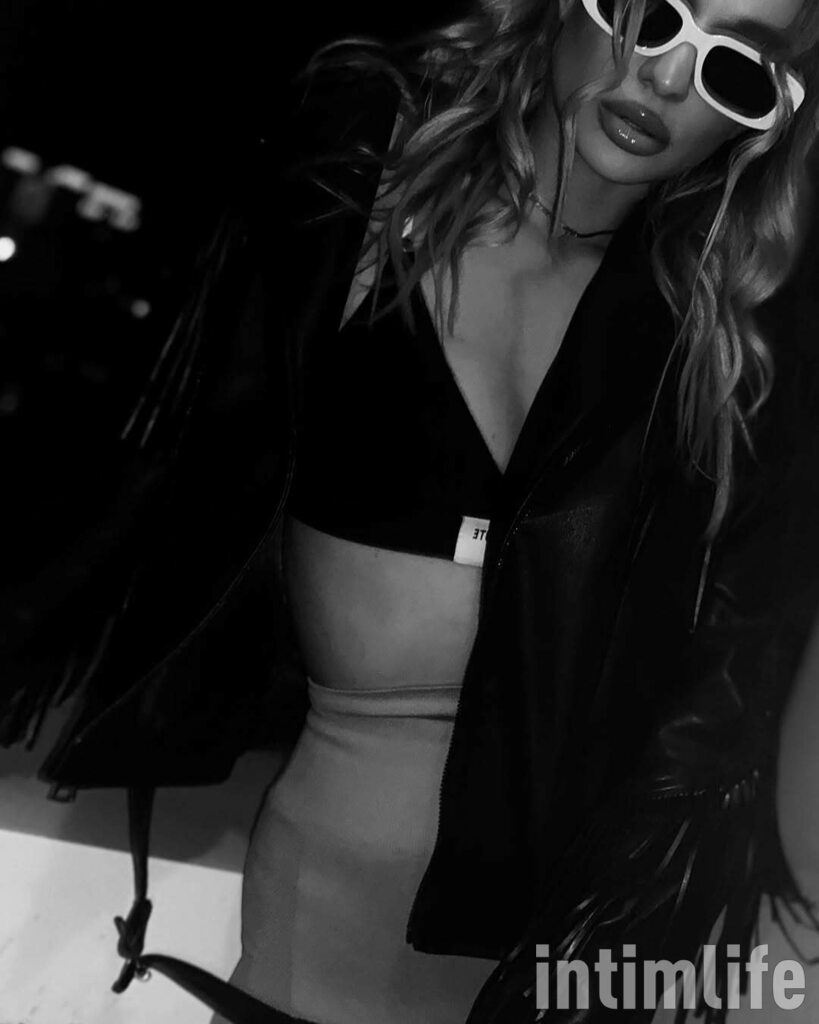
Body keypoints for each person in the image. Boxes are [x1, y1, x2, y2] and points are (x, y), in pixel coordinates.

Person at [3, 0, 819, 1022]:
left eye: (733, 67)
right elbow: (149, 469)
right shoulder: (370, 185)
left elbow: (721, 693)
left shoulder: (714, 343)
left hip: (569, 959)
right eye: (649, 15)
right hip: (324, 927)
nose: (663, 78)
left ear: (765, 119)